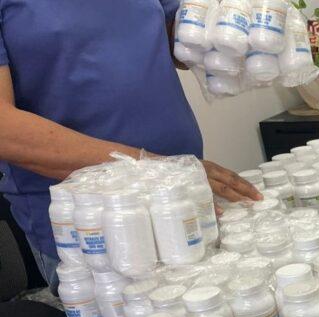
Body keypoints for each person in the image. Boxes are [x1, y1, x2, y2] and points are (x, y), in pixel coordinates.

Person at [0, 0, 260, 288]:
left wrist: (239, 25)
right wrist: (157, 170)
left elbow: (176, 39)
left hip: (184, 193)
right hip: (94, 225)